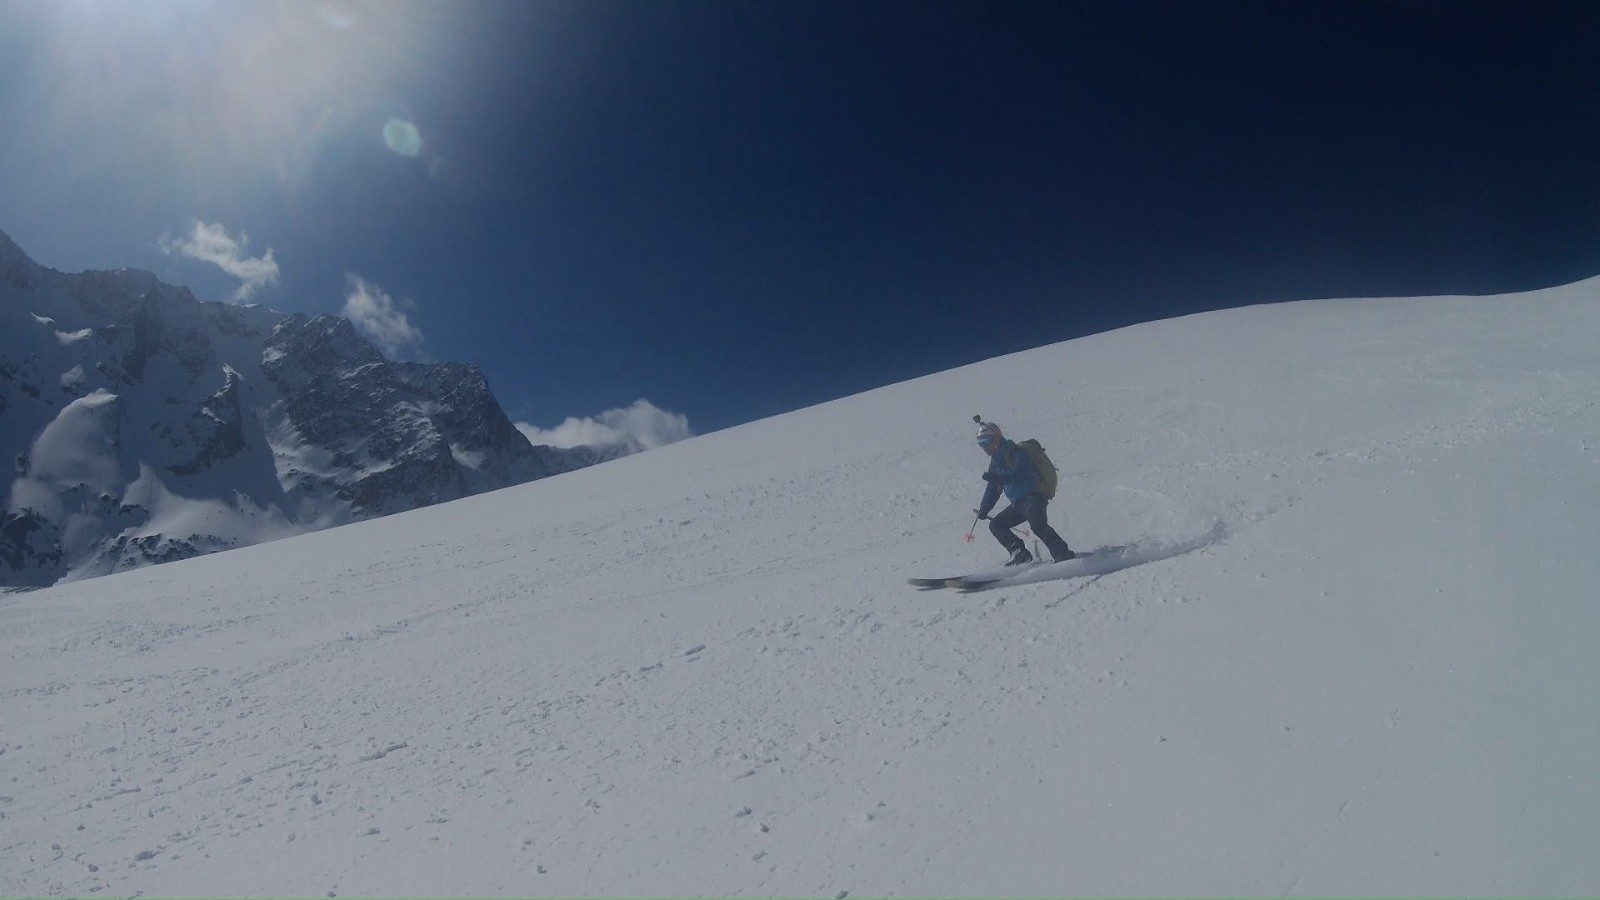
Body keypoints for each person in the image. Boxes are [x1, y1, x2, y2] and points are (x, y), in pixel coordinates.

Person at [974, 419, 1074, 565]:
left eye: (987, 442)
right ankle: (1020, 554)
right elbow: (992, 489)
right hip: (1017, 503)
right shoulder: (995, 463)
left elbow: (1018, 473)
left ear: (996, 438)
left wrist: (999, 478)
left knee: (1038, 525)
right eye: (981, 444)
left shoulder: (1016, 452)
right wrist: (984, 509)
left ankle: (1063, 555)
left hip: (1033, 497)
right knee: (996, 525)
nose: (985, 448)